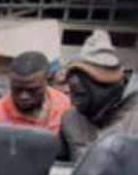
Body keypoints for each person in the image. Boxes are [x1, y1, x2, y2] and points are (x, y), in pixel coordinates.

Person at [59, 30, 138, 162]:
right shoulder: (71, 119)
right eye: (72, 93)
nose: (73, 101)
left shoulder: (134, 119)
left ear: (103, 89)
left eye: (80, 94)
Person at [0, 51, 71, 133]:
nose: (23, 96)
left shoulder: (66, 107)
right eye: (17, 89)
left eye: (32, 90)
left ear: (46, 80)